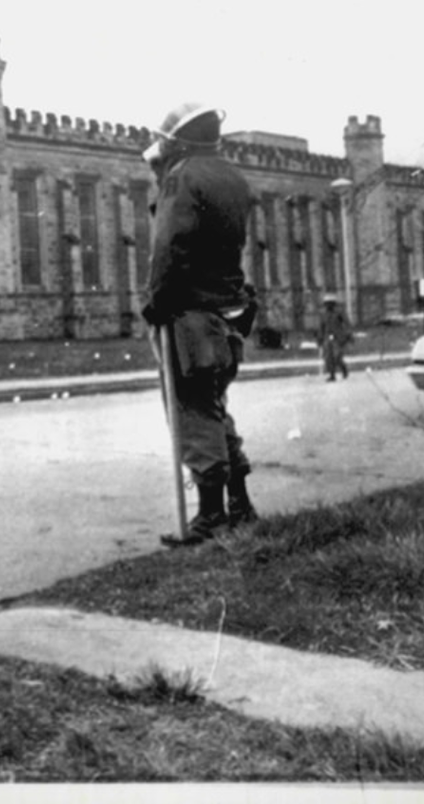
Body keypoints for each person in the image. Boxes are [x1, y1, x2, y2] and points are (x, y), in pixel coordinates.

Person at [141, 102, 259, 545]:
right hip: (228, 310)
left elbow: (170, 245)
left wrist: (156, 300)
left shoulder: (182, 176)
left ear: (177, 141)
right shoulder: (232, 176)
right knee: (214, 406)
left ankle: (211, 516)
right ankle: (240, 504)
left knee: (192, 411)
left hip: (190, 313)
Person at [317, 294, 352, 381]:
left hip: (338, 338)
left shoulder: (339, 313)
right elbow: (321, 327)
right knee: (328, 357)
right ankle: (332, 375)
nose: (328, 305)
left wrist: (348, 335)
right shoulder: (323, 314)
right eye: (327, 303)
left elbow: (347, 323)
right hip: (327, 337)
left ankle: (343, 368)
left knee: (337, 356)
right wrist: (320, 338)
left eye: (330, 303)